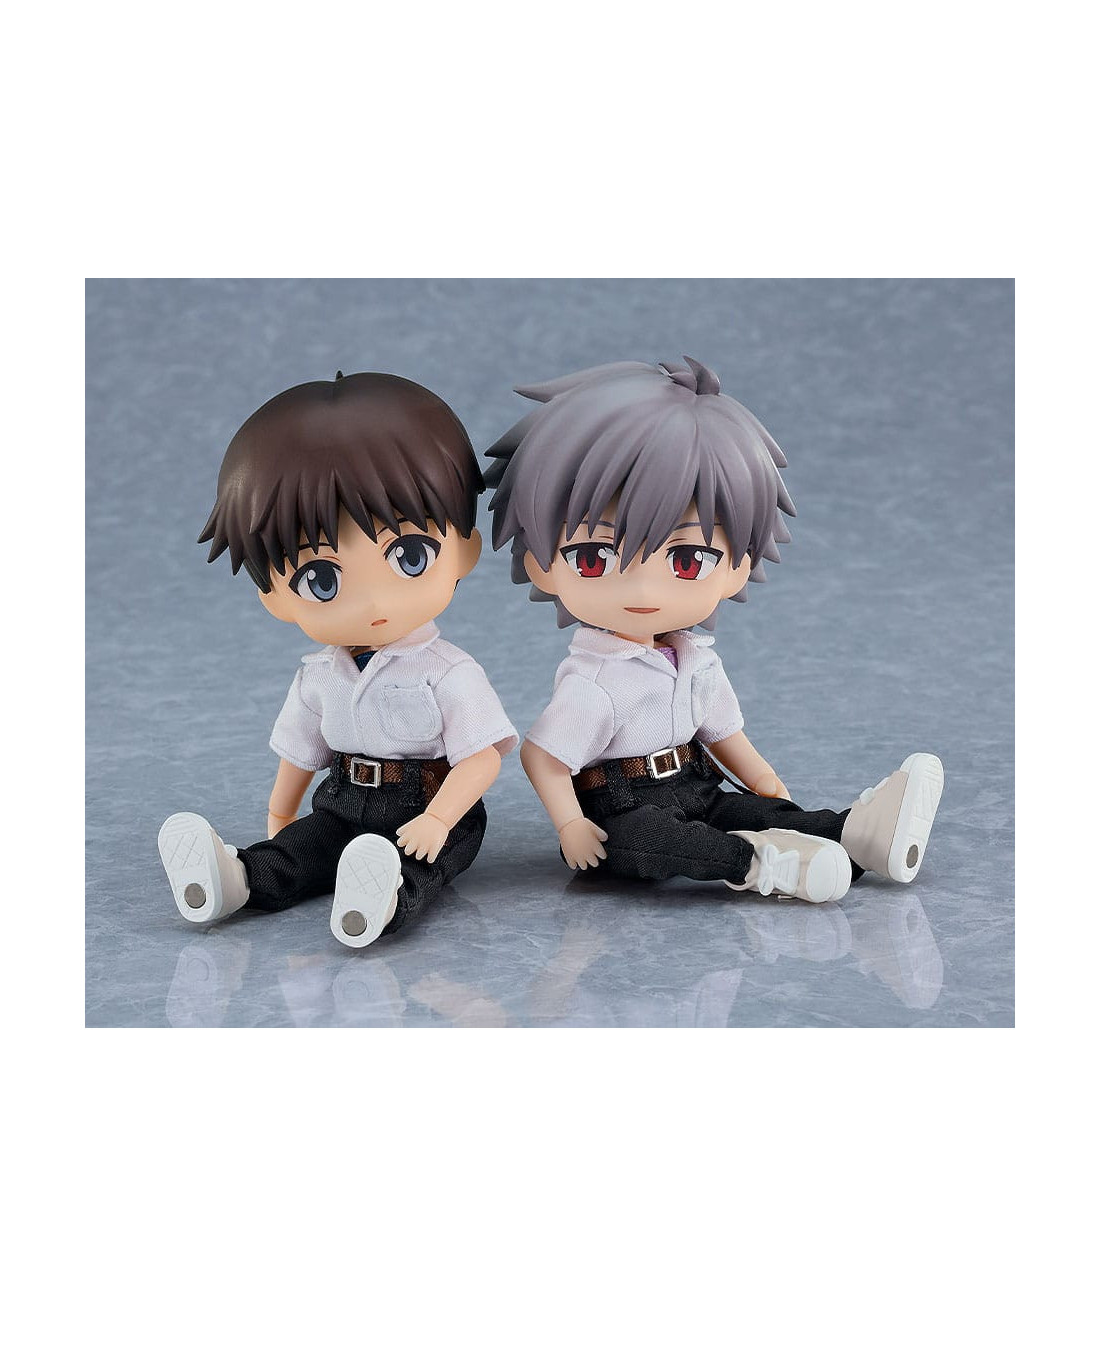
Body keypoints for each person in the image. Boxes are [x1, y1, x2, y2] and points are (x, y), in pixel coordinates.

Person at [484, 357, 943, 905]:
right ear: (540, 565)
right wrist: (571, 825)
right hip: (621, 808)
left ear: (737, 568)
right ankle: (764, 864)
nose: (644, 589)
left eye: (686, 561)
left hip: (696, 783)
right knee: (654, 843)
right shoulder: (594, 679)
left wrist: (767, 786)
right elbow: (544, 757)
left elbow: (723, 735)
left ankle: (857, 834)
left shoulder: (697, 661)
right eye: (593, 557)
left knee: (747, 810)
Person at [158, 371, 516, 947]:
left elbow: (481, 760)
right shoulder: (319, 677)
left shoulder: (449, 672)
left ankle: (378, 904)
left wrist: (438, 818)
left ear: (463, 552)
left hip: (429, 803)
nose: (373, 602)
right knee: (301, 851)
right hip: (344, 799)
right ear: (274, 597)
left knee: (418, 866)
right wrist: (281, 820)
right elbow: (300, 752)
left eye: (410, 555)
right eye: (321, 578)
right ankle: (232, 881)